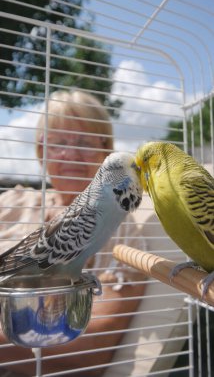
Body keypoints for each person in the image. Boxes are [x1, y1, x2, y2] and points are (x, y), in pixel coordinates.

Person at [0, 90, 146, 376]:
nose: (71, 154)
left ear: (106, 153)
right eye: (58, 143)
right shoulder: (8, 203)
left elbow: (91, 349)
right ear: (42, 151)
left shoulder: (121, 227)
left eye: (84, 142)